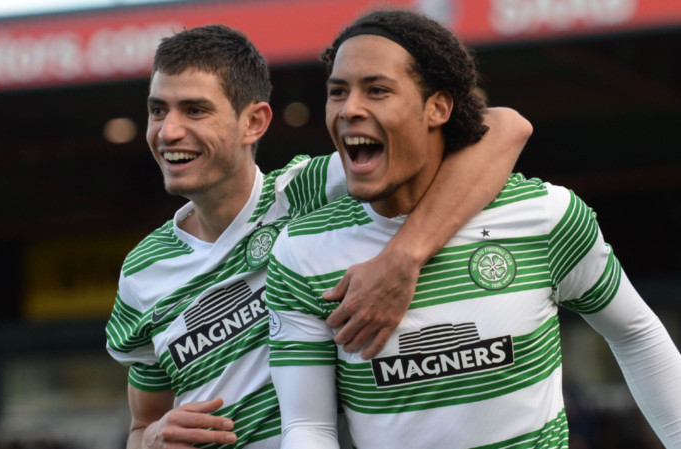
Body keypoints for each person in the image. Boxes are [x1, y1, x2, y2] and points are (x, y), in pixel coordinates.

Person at [265, 9, 681, 449]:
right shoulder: (302, 250)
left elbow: (636, 335)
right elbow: (308, 426)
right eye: (337, 92)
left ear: (438, 107)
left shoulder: (545, 216)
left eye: (378, 90)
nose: (349, 109)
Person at [105, 23, 531, 448]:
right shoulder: (142, 272)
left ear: (254, 122)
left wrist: (404, 257)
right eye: (158, 110)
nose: (168, 131)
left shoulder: (305, 195)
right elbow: (142, 425)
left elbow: (504, 127)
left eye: (194, 110)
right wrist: (151, 440)